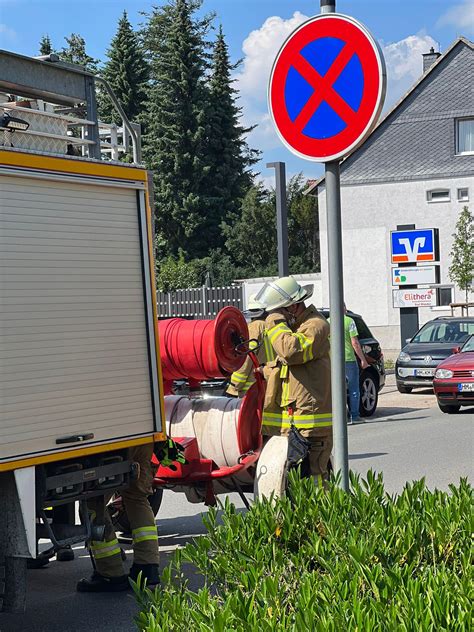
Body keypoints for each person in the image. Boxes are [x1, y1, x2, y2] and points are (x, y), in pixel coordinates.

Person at [252, 277, 332, 487]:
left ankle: (322, 519)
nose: (273, 316)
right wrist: (264, 370)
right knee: (294, 482)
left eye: (278, 311)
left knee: (314, 480)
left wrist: (274, 322)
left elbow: (290, 351)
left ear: (294, 307)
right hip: (296, 422)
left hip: (312, 426)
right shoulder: (297, 327)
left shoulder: (316, 326)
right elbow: (289, 367)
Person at [77, 443, 159, 592]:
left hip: (108, 442)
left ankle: (110, 573)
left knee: (94, 502)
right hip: (143, 437)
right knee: (137, 497)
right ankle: (148, 568)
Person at [227, 298, 275, 397]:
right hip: (272, 381)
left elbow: (246, 357)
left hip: (253, 389)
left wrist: (234, 386)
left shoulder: (254, 327)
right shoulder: (273, 325)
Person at [343, 304, 369, 424]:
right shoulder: (349, 321)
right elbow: (355, 343)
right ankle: (355, 416)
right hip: (348, 359)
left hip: (333, 361)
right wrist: (363, 359)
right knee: (354, 389)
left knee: (337, 390)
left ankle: (340, 416)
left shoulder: (327, 322)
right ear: (344, 309)